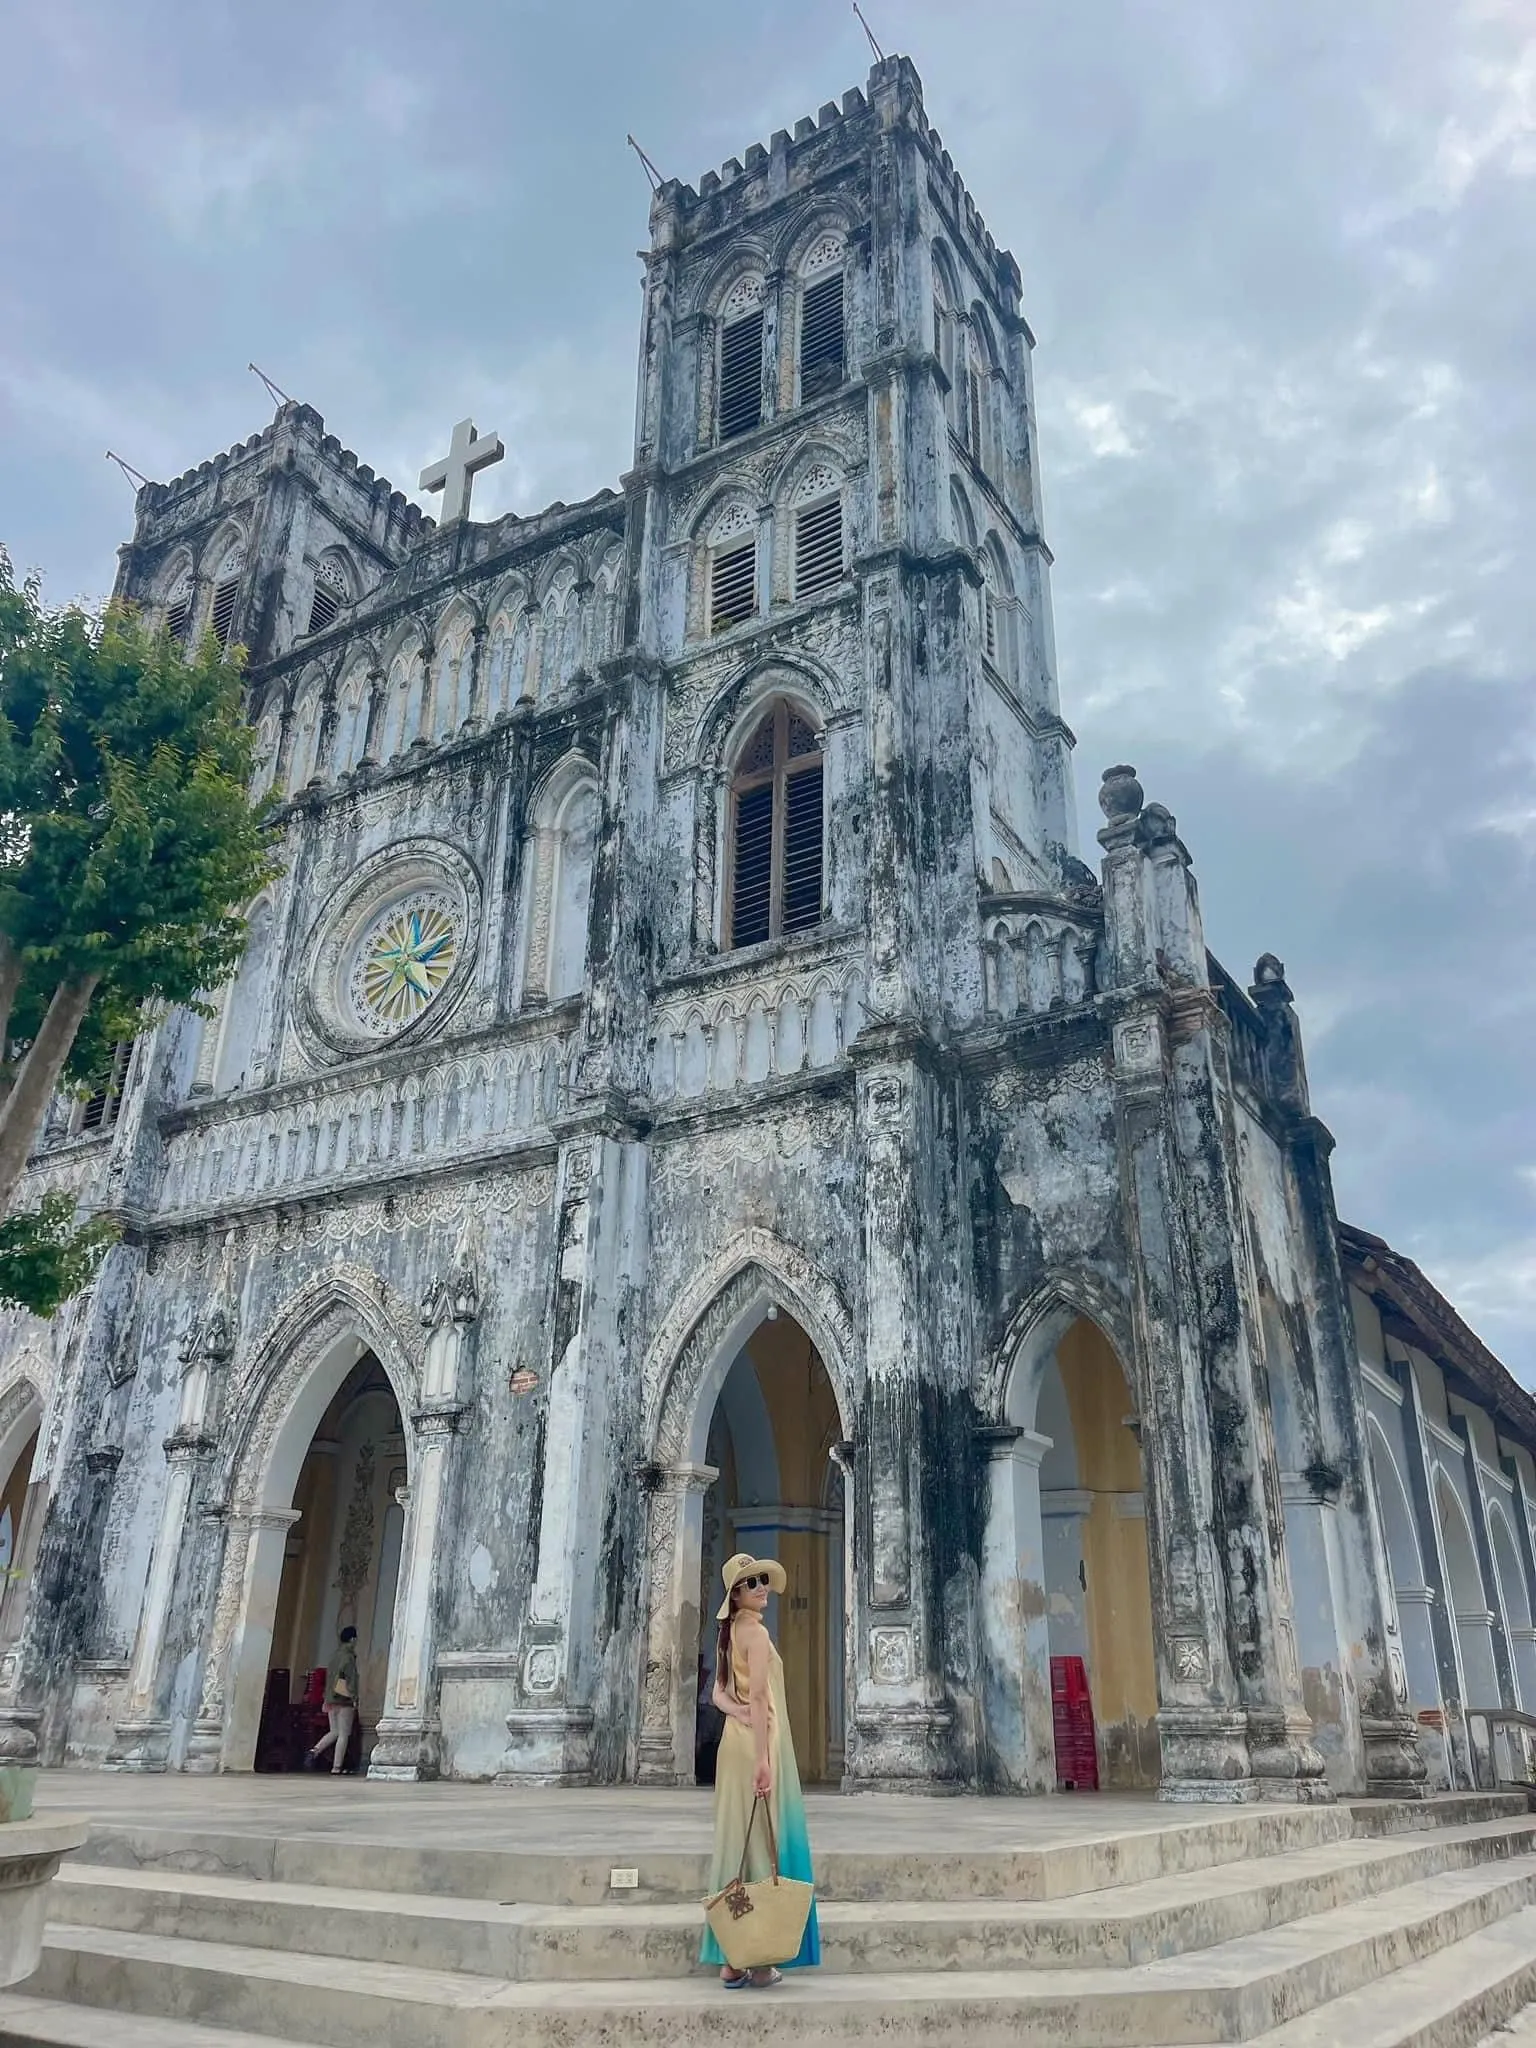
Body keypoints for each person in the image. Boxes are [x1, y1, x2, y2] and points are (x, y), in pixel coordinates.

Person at [700, 1552, 820, 1989]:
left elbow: (718, 1694)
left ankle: (732, 1956)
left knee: (736, 1842)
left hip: (735, 1745)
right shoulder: (755, 1633)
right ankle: (757, 1958)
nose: (763, 1587)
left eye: (764, 1579)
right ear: (735, 1594)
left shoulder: (729, 1632)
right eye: (752, 1583)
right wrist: (763, 1758)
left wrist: (738, 1716)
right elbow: (758, 1699)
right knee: (761, 1845)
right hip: (757, 1746)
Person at [305, 1624, 359, 1775]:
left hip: (331, 1699)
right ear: (352, 1639)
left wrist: (326, 1698)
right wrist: (354, 1697)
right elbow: (351, 1679)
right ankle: (336, 1767)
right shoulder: (349, 1657)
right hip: (344, 1699)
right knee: (344, 1734)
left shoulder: (334, 1657)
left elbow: (329, 1679)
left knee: (334, 1731)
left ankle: (314, 1751)